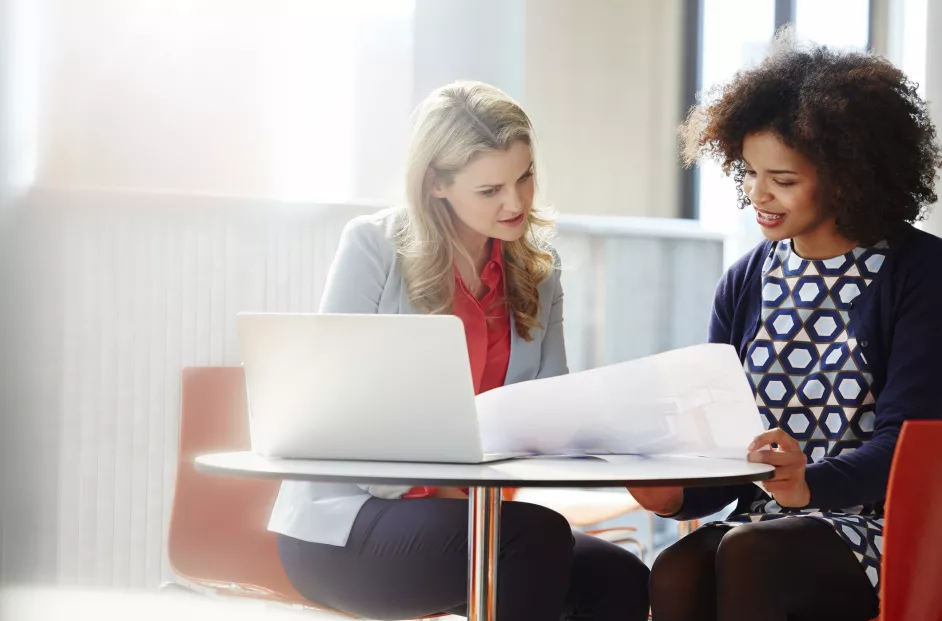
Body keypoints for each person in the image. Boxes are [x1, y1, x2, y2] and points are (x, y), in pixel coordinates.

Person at [271, 81, 650, 621]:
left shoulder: (538, 272)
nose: (515, 202)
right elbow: (328, 400)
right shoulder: (374, 246)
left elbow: (551, 408)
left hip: (480, 522)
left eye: (524, 177)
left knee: (620, 576)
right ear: (436, 185)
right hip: (348, 522)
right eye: (490, 189)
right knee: (535, 538)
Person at [631, 31, 942, 621]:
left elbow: (907, 447)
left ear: (848, 176)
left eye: (784, 179)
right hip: (770, 521)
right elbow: (729, 453)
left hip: (883, 528)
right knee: (676, 569)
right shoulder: (746, 280)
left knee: (751, 555)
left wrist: (808, 486)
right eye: (749, 173)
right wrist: (674, 495)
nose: (758, 194)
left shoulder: (921, 274)